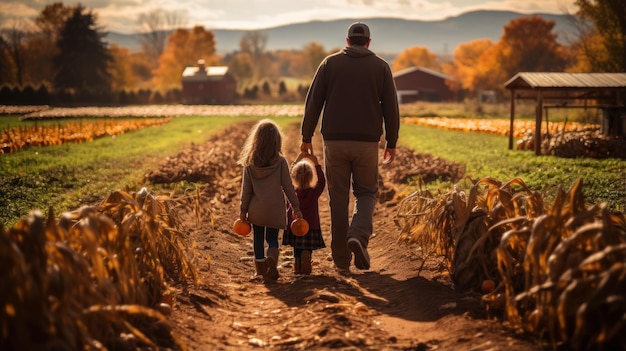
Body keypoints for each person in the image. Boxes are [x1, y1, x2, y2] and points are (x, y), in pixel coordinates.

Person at [300, 22, 400, 273]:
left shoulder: (329, 64)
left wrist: (306, 136)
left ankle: (342, 260)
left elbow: (314, 102)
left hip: (334, 142)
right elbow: (391, 107)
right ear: (368, 42)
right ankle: (358, 235)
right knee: (366, 193)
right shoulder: (381, 67)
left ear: (347, 41)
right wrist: (392, 142)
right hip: (367, 143)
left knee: (338, 198)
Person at [238, 119, 303, 281]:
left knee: (258, 239)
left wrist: (243, 211)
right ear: (277, 141)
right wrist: (296, 207)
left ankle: (260, 270)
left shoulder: (249, 164)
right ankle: (272, 259)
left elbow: (246, 191)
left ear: (256, 140)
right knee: (272, 239)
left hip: (256, 210)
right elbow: (288, 187)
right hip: (275, 209)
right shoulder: (280, 162)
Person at [282, 152, 326, 275]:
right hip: (310, 225)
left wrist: (297, 159)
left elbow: (287, 178)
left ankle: (297, 262)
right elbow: (322, 182)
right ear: (312, 177)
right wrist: (316, 163)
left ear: (294, 177)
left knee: (297, 245)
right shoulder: (314, 192)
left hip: (294, 224)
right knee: (306, 245)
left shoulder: (291, 191)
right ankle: (307, 254)